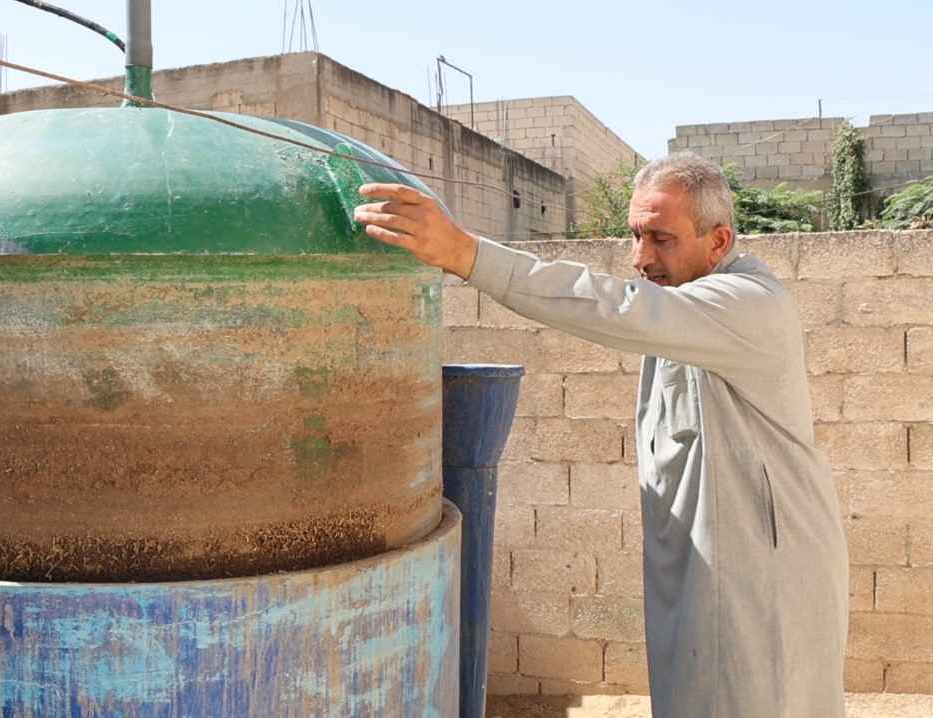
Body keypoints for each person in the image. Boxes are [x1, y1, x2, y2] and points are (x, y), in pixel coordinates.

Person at [354, 152, 848, 718]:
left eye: (661, 239)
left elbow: (618, 309)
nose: (641, 258)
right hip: (705, 569)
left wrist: (468, 255)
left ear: (718, 241)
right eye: (636, 236)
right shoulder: (687, 307)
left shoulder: (747, 305)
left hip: (764, 575)